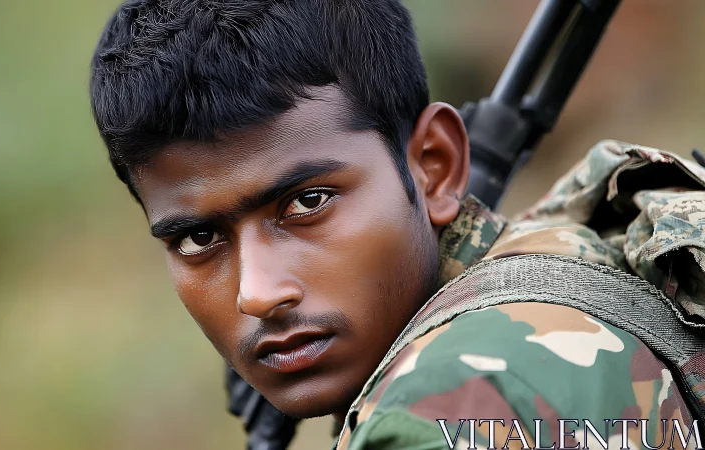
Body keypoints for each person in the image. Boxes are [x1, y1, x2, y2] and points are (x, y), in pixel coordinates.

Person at [89, 1, 703, 448]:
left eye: (307, 204)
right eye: (199, 239)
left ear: (434, 168)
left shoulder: (455, 396)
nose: (258, 292)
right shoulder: (568, 267)